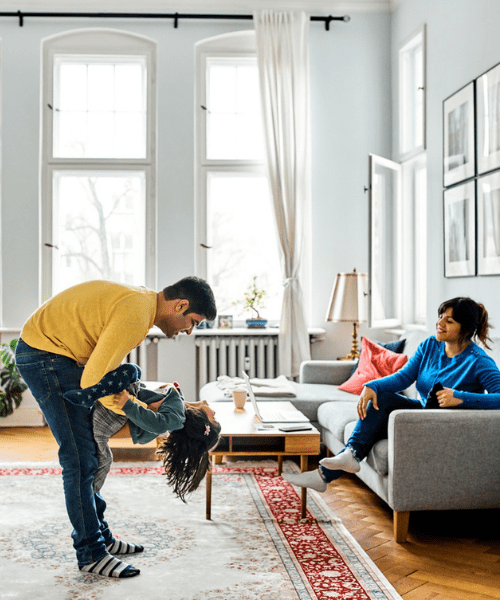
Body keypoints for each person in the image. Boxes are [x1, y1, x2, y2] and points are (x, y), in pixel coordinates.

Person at [15, 277, 217, 578]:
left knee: (93, 454)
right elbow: (92, 380)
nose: (189, 331)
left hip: (55, 355)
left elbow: (101, 371)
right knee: (80, 459)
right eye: (193, 322)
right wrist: (128, 407)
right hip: (47, 357)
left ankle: (101, 537)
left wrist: (136, 402)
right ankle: (91, 553)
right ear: (181, 305)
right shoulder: (136, 314)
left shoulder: (142, 306)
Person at [284, 297, 500, 493]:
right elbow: (403, 378)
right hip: (421, 414)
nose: (440, 324)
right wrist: (372, 386)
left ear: (465, 329)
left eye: (449, 321)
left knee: (381, 410)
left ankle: (333, 469)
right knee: (384, 398)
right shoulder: (430, 346)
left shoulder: (479, 361)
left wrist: (461, 397)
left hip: (444, 425)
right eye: (440, 317)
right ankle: (345, 459)